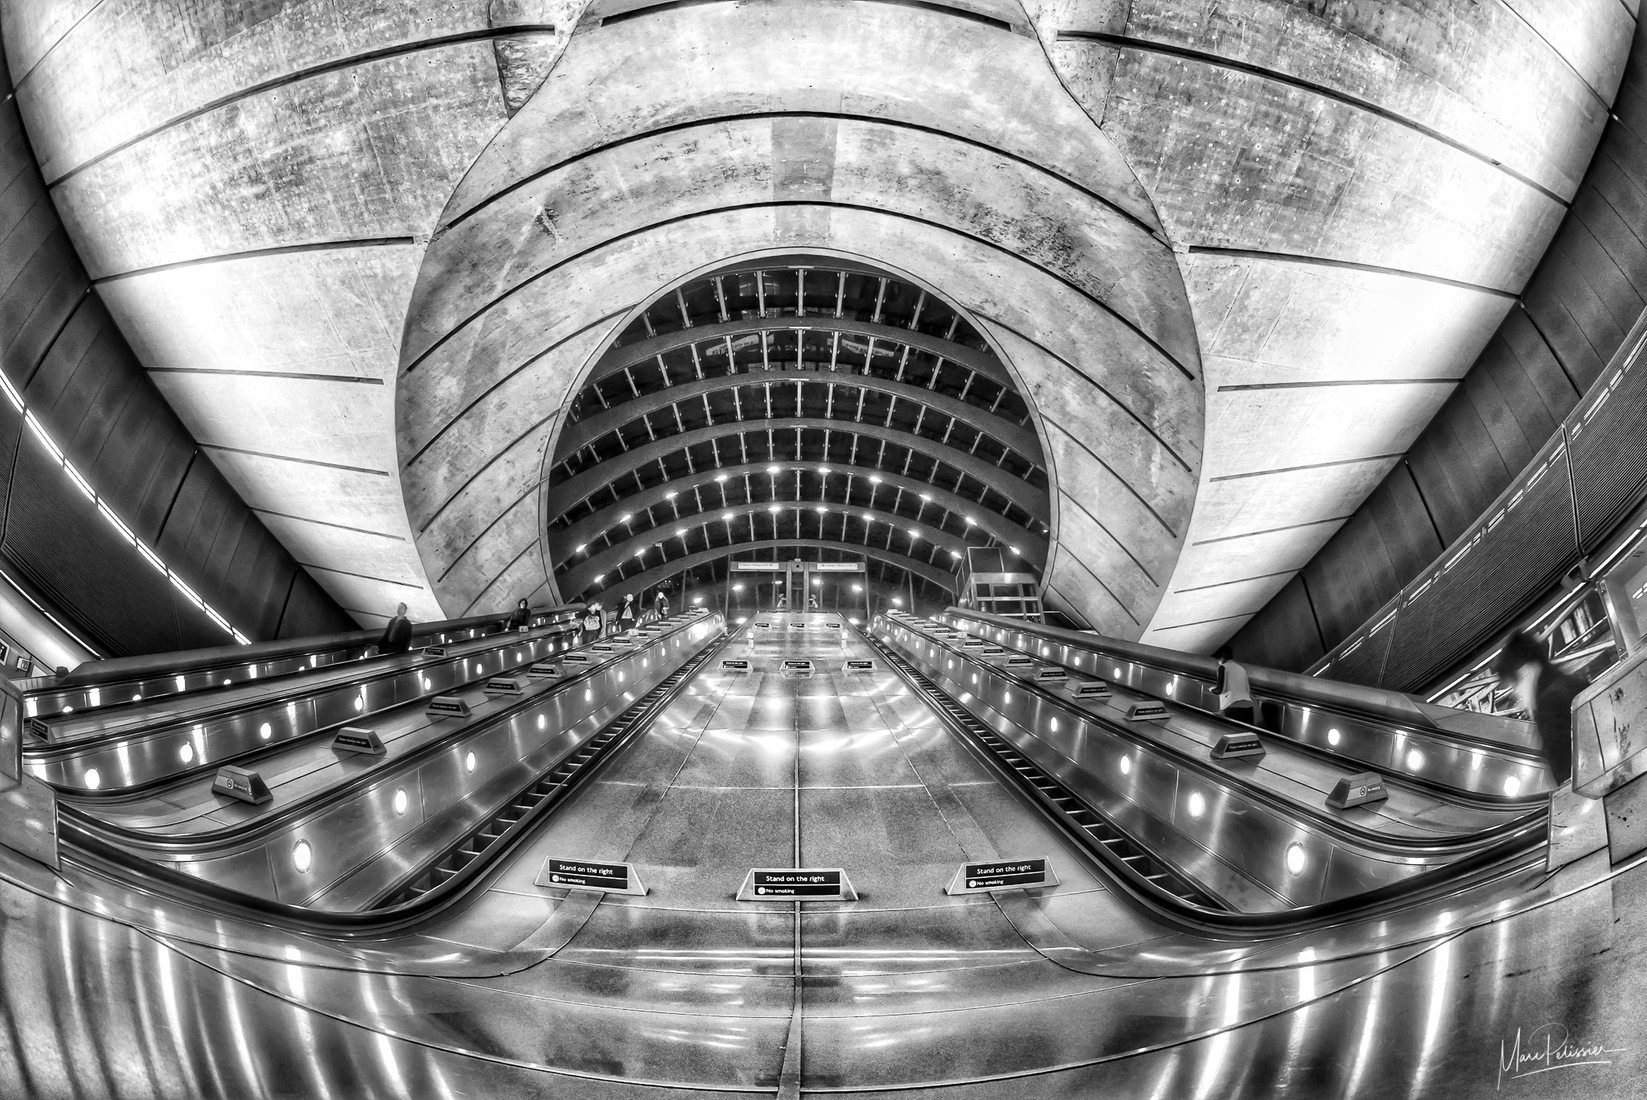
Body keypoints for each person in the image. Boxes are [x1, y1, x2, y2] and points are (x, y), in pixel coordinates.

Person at [1493, 631, 1583, 785]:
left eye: (1514, 685)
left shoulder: (1549, 705)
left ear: (1526, 673)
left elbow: (1568, 775)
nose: (1516, 695)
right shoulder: (1573, 684)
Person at [1213, 645, 1254, 724]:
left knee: (1227, 732)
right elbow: (1248, 689)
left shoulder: (1223, 667)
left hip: (1232, 707)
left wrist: (1212, 690)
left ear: (1221, 657)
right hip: (1248, 707)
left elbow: (1219, 690)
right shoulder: (1241, 668)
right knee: (1244, 734)